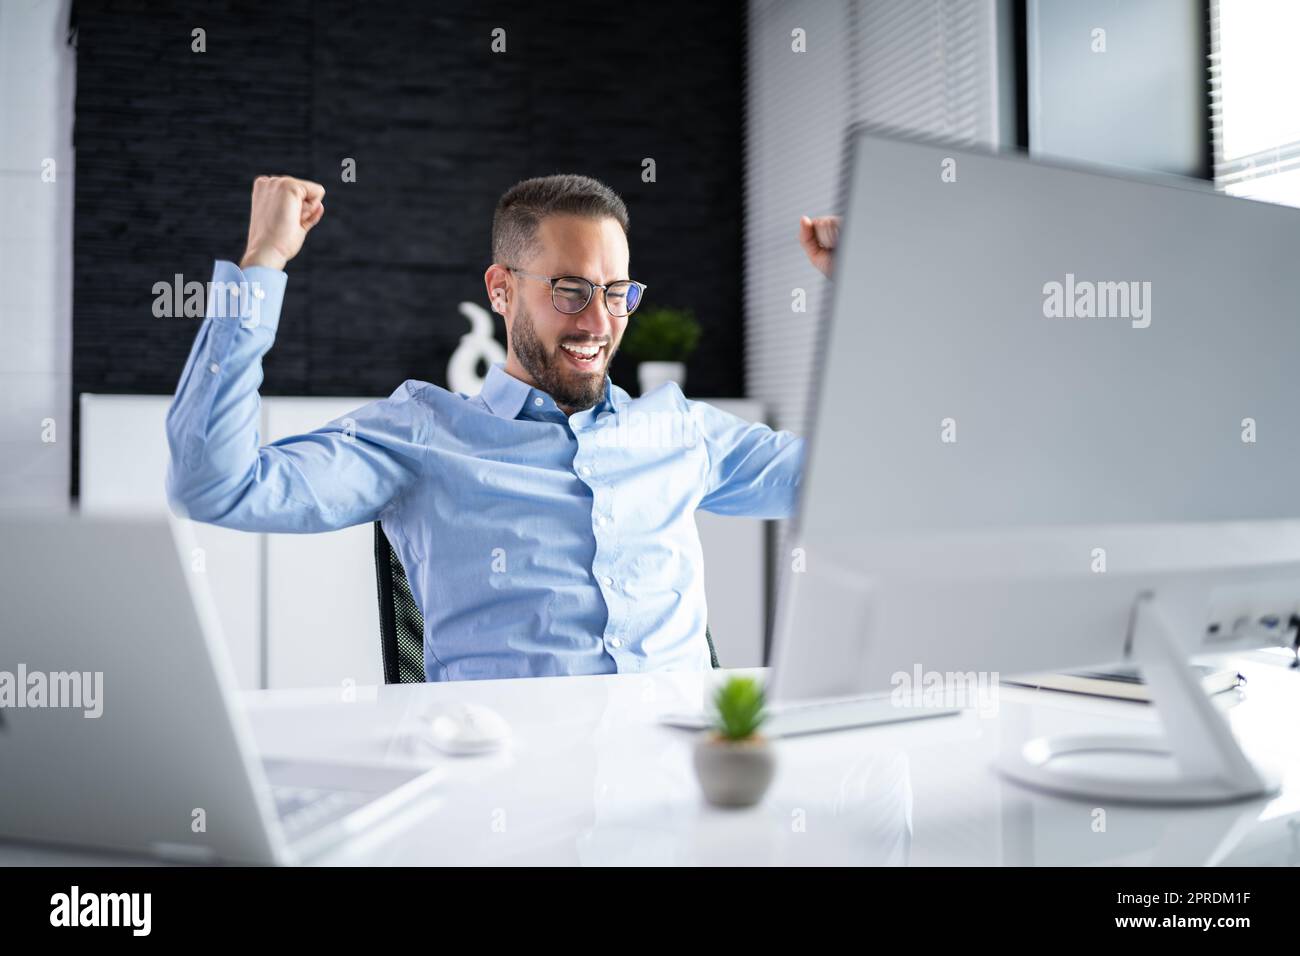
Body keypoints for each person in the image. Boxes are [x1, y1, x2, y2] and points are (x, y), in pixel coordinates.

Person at [166, 172, 839, 680]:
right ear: (500, 289)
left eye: (616, 293)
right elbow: (213, 485)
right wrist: (261, 264)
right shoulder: (423, 435)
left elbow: (860, 478)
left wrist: (864, 286)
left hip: (686, 786)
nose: (599, 323)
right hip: (511, 793)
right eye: (570, 290)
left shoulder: (680, 431)